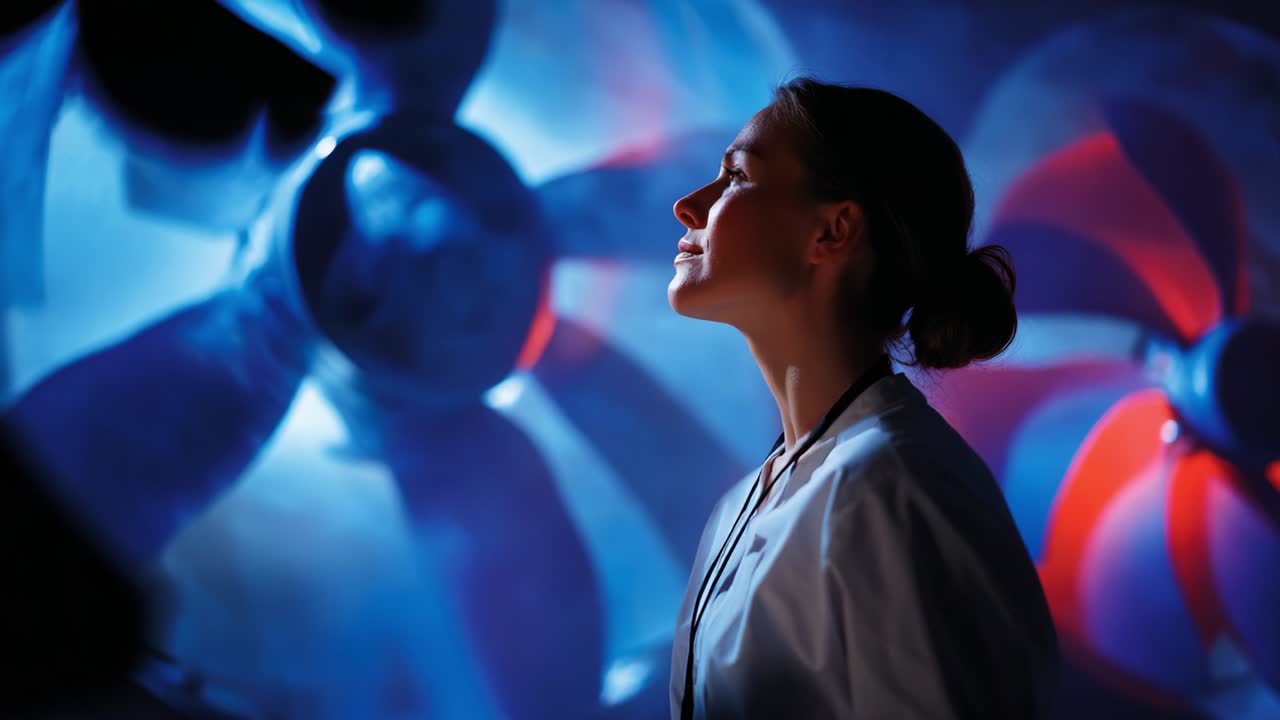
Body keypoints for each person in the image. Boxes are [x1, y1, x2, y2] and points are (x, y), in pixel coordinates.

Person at [666, 76, 1060, 719]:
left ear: (834, 229)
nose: (689, 204)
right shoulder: (748, 500)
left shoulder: (891, 487)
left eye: (736, 177)